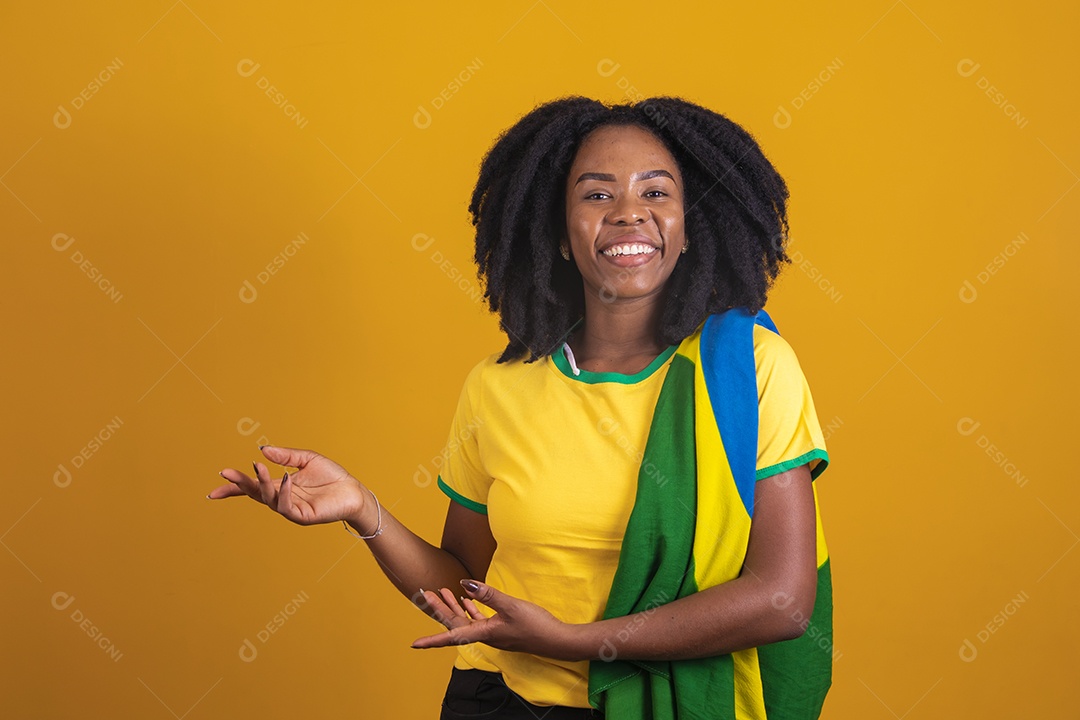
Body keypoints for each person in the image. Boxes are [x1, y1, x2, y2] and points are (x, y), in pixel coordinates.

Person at [209, 96, 834, 719]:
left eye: (655, 193)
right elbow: (466, 584)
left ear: (690, 226)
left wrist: (578, 643)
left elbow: (781, 598)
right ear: (559, 236)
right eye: (596, 195)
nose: (627, 214)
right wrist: (362, 510)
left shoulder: (748, 370)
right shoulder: (497, 387)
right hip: (498, 699)